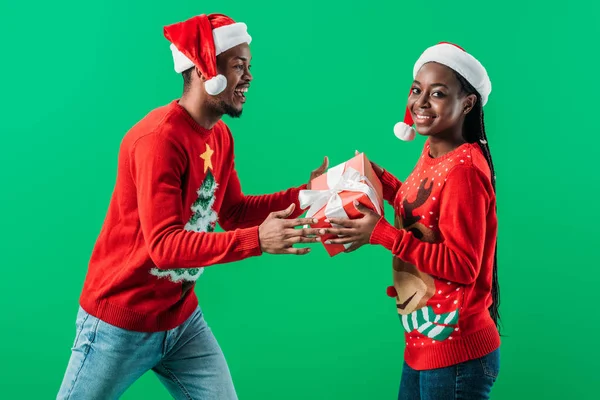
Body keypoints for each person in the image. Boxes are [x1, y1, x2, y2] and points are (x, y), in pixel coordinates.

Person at [57, 13, 327, 400]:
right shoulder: (158, 139)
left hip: (181, 322)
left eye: (249, 67)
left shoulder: (219, 135)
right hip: (119, 324)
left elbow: (231, 211)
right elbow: (165, 248)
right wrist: (258, 241)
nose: (249, 77)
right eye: (238, 67)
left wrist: (305, 195)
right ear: (204, 69)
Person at [322, 42, 501, 399]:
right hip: (426, 341)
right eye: (417, 90)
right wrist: (379, 179)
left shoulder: (464, 170)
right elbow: (426, 210)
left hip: (456, 351)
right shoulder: (435, 152)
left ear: (467, 103)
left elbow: (464, 266)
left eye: (437, 94)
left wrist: (383, 234)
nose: (420, 103)